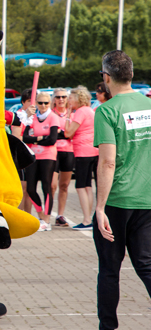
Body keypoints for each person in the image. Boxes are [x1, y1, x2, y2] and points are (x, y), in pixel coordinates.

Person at [92, 50, 151, 330]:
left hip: (118, 200)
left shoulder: (107, 111)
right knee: (146, 264)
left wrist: (99, 207)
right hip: (146, 198)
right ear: (131, 74)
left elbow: (107, 162)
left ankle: (108, 326)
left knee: (109, 269)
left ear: (106, 78)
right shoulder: (148, 105)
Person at [22, 92, 59, 231]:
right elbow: (25, 137)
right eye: (40, 103)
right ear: (36, 103)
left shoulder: (53, 117)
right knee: (30, 188)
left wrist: (36, 139)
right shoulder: (32, 117)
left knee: (46, 186)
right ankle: (41, 215)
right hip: (34, 156)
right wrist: (41, 138)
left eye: (46, 103)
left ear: (50, 103)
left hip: (48, 156)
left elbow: (52, 140)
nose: (43, 105)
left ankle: (47, 220)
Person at [63, 85, 98, 230]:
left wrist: (67, 116)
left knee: (80, 186)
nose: (69, 101)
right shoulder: (90, 110)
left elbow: (68, 133)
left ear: (78, 98)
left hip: (83, 152)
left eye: (70, 98)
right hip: (93, 151)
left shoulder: (80, 112)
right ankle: (89, 218)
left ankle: (86, 219)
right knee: (88, 186)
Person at [51, 88, 74, 227]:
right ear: (54, 99)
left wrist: (61, 133)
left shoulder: (72, 114)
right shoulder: (50, 114)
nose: (61, 99)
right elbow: (53, 133)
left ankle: (60, 215)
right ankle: (47, 213)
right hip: (53, 151)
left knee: (64, 185)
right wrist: (63, 133)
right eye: (58, 97)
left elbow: (71, 133)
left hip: (68, 151)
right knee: (52, 185)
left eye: (63, 97)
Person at [14, 89, 37, 213]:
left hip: (33, 155)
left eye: (34, 102)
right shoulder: (19, 116)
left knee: (30, 189)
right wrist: (36, 139)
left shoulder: (35, 117)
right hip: (22, 155)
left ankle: (28, 215)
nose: (32, 104)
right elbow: (17, 137)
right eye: (29, 101)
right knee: (22, 189)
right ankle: (20, 214)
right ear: (23, 102)